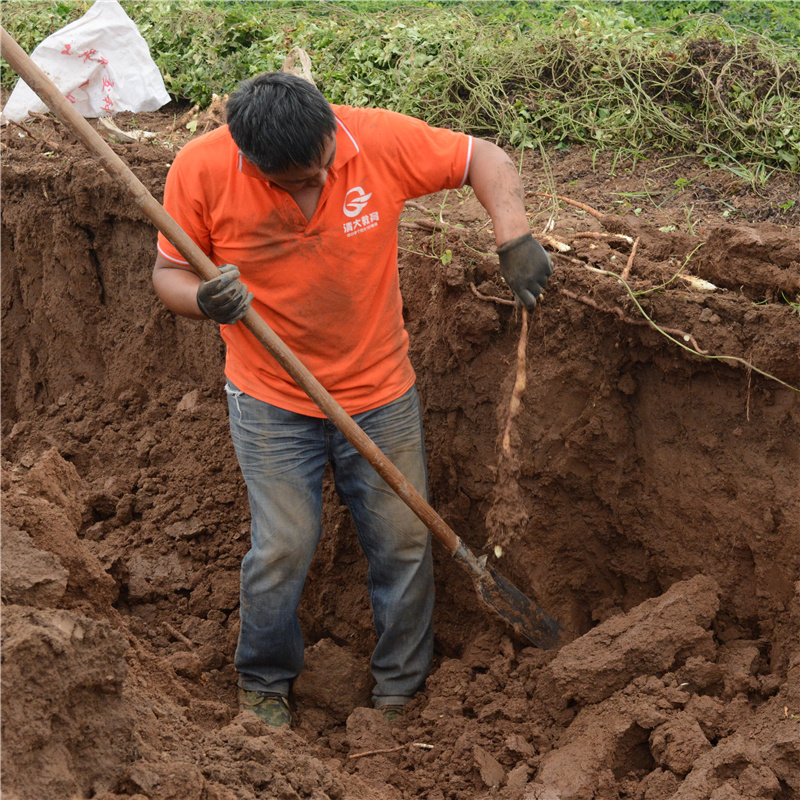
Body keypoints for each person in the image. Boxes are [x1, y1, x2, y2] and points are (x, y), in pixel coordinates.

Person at [152, 72, 552, 728]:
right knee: (284, 545)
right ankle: (264, 684)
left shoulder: (373, 139)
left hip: (379, 390)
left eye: (321, 170)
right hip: (272, 398)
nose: (314, 188)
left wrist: (514, 237)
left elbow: (484, 156)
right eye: (294, 182)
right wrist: (202, 301)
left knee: (401, 542)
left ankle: (399, 690)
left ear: (330, 130)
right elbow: (168, 272)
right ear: (250, 160)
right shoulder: (201, 169)